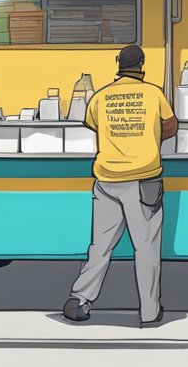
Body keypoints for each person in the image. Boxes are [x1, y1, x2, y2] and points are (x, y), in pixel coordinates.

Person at [63, 45, 177, 327]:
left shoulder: (101, 97)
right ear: (141, 65)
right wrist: (149, 139)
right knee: (146, 247)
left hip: (106, 180)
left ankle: (79, 300)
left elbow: (93, 124)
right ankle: (149, 312)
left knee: (100, 246)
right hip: (143, 181)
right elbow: (171, 126)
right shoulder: (154, 93)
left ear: (118, 64)